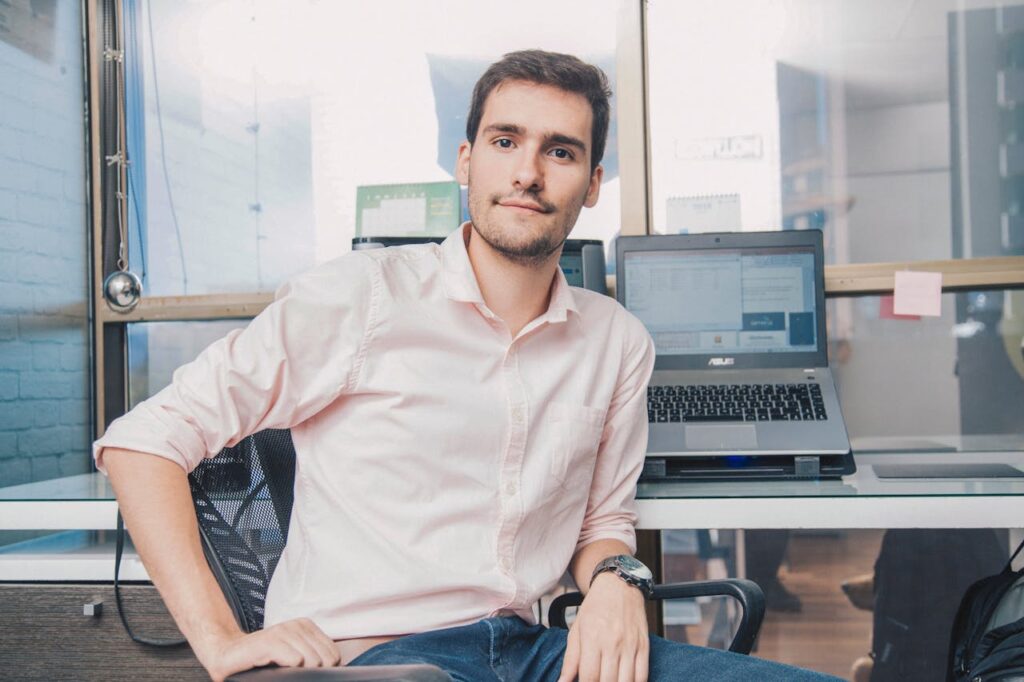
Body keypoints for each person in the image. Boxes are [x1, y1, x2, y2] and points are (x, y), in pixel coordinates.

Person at [94, 50, 837, 682]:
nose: (529, 172)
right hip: (383, 659)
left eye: (560, 150)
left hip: (537, 652)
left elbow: (604, 521)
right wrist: (222, 642)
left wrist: (618, 580)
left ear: (593, 182)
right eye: (506, 141)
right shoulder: (360, 298)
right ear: (466, 160)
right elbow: (143, 442)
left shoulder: (615, 342)